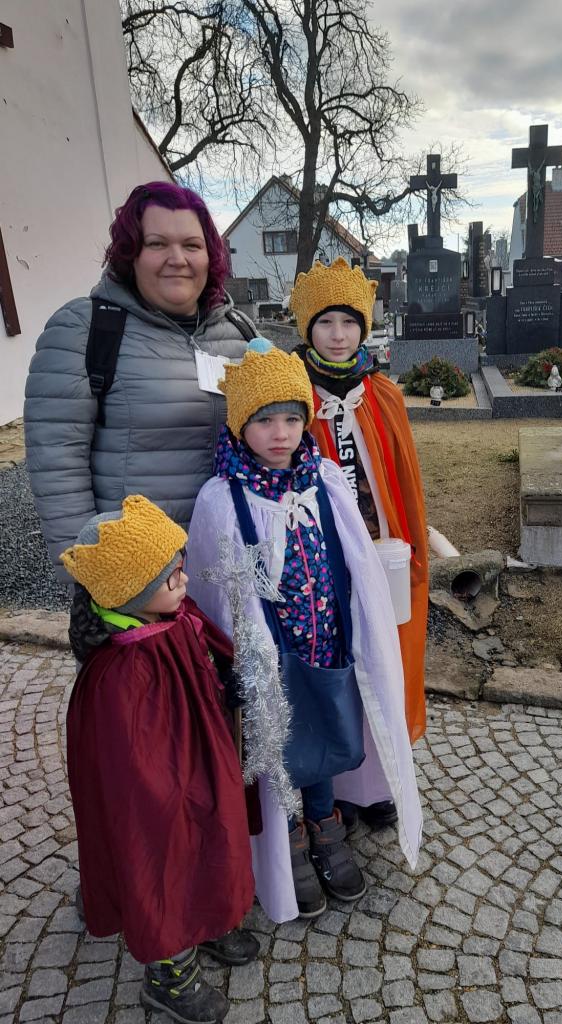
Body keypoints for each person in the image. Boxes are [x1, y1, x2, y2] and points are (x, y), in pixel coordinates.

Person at [185, 339, 422, 923]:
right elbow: (217, 590)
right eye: (264, 420)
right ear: (240, 424)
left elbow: (356, 561)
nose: (281, 433)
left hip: (328, 647)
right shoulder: (222, 498)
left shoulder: (326, 481)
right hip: (271, 659)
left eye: (293, 419)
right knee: (282, 751)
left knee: (327, 740)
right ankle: (287, 839)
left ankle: (325, 825)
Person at [60, 495, 259, 1024]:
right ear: (132, 591)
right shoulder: (120, 673)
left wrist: (226, 682)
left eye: (182, 567)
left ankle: (206, 919)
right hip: (159, 788)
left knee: (212, 834)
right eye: (172, 576)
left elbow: (205, 659)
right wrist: (174, 792)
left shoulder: (171, 616)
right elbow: (132, 767)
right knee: (165, 856)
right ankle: (169, 970)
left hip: (199, 759)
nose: (186, 581)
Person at [24, 180, 254, 579]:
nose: (177, 259)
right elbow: (58, 469)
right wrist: (91, 578)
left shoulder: (240, 333)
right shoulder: (84, 330)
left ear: (210, 256)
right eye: (157, 243)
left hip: (232, 565)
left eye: (192, 245)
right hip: (139, 576)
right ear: (131, 253)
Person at [289, 257, 429, 829]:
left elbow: (405, 480)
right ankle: (341, 785)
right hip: (321, 561)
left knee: (384, 660)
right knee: (338, 665)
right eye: (325, 322)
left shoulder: (383, 395)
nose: (339, 334)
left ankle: (379, 783)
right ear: (308, 329)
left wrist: (410, 546)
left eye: (349, 321)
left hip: (382, 552)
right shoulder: (293, 398)